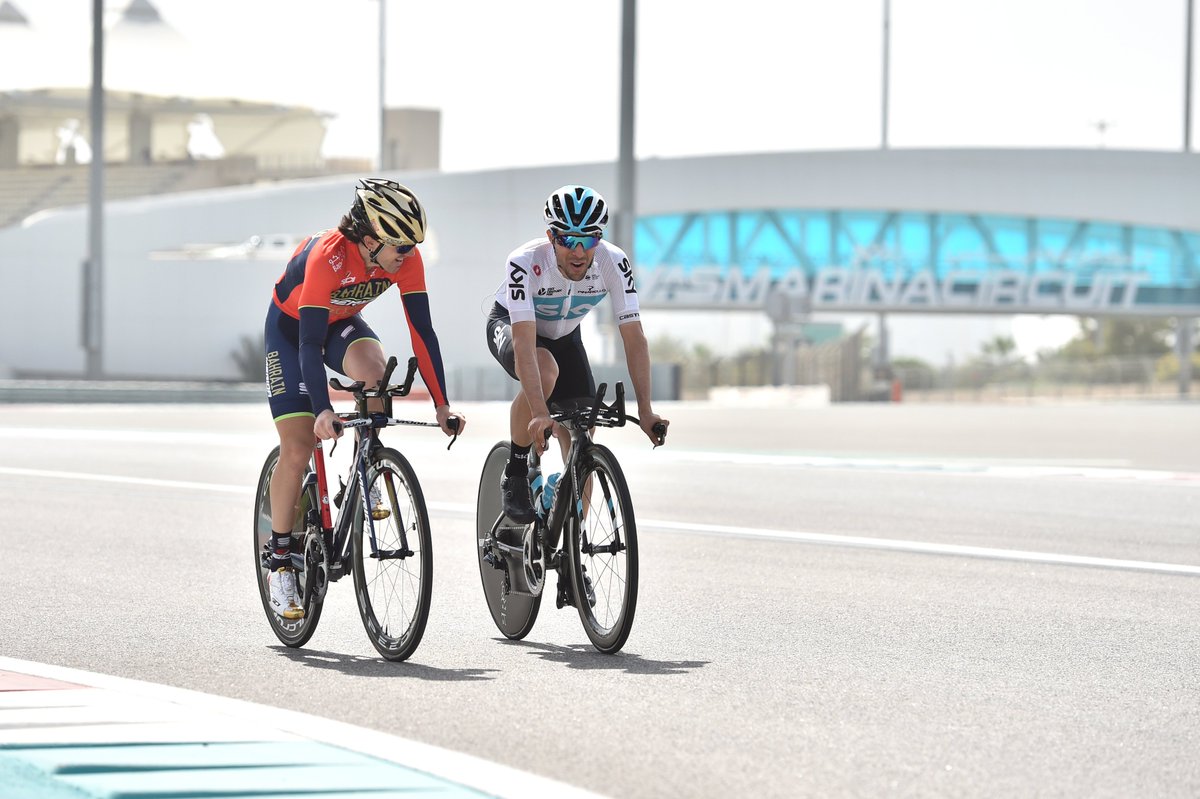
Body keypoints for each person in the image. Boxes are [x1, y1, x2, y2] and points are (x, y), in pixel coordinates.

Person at [263, 178, 465, 619]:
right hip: (292, 331)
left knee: (376, 373)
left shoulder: (405, 259)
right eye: (401, 246)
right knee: (298, 445)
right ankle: (279, 563)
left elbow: (422, 332)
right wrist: (321, 410)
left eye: (414, 245)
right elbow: (309, 344)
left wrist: (441, 404)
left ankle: (366, 467)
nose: (409, 254)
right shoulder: (328, 257)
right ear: (371, 239)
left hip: (340, 322)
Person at [486, 184, 668, 524]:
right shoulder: (524, 262)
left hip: (566, 338)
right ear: (551, 237)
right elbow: (525, 344)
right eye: (568, 240)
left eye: (589, 239)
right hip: (513, 327)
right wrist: (540, 413)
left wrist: (646, 410)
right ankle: (516, 470)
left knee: (582, 435)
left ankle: (569, 540)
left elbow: (635, 338)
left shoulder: (613, 262)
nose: (579, 251)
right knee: (545, 369)